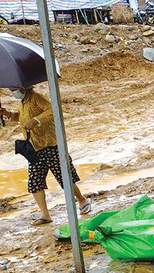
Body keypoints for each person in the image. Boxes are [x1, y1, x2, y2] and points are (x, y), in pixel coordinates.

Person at [0, 88, 91, 226]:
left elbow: (52, 110)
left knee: (64, 178)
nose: (12, 91)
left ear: (22, 87)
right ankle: (45, 214)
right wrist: (8, 114)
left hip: (51, 146)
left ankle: (82, 199)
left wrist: (36, 120)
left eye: (13, 89)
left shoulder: (37, 98)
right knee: (35, 182)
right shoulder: (23, 101)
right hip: (34, 149)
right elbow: (21, 117)